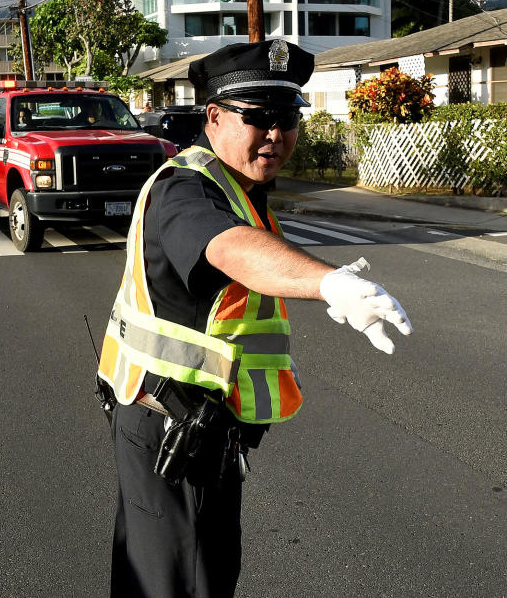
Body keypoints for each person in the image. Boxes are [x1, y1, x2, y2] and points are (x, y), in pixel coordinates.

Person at [97, 39, 412, 598]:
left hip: (177, 422)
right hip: (176, 432)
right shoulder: (188, 188)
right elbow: (227, 246)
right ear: (213, 118)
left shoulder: (242, 188)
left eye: (288, 117)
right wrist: (329, 282)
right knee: (190, 580)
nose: (276, 134)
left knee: (155, 574)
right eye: (258, 117)